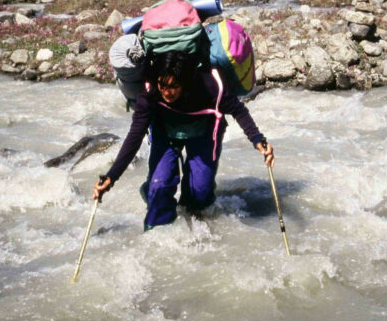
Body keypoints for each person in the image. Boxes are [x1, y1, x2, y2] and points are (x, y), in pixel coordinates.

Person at [93, 50, 274, 228]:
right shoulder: (150, 94)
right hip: (166, 132)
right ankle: (156, 210)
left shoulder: (209, 87)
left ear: (186, 83)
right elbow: (134, 137)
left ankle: (193, 208)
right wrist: (111, 177)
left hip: (203, 131)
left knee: (199, 193)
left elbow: (238, 110)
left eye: (173, 87)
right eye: (163, 86)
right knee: (159, 187)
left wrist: (257, 139)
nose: (167, 92)